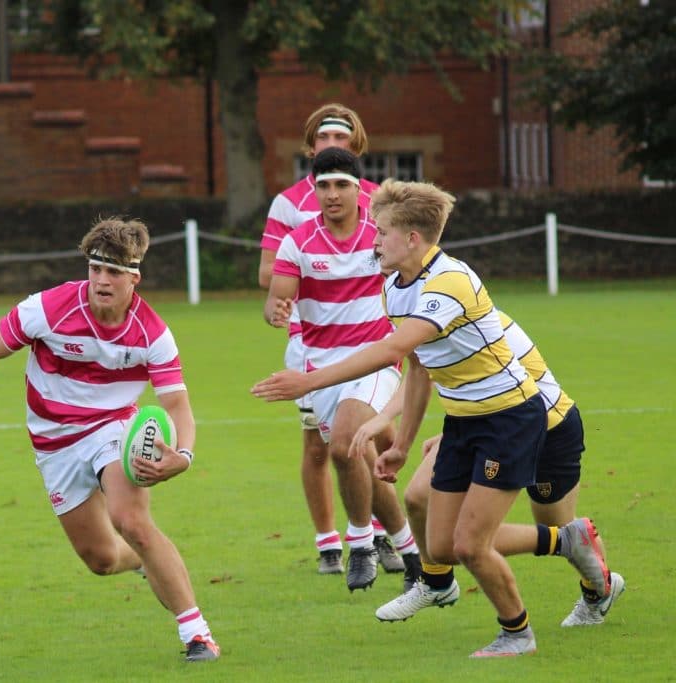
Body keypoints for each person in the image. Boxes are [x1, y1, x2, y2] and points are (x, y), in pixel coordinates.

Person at [251, 179, 613, 657]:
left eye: (381, 233)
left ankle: (516, 633)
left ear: (413, 239)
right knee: (439, 547)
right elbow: (419, 365)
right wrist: (400, 441)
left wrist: (310, 381)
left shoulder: (450, 281)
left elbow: (394, 349)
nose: (373, 241)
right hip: (464, 423)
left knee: (470, 544)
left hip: (510, 418)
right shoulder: (395, 286)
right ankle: (563, 542)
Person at [0, 217, 220, 663]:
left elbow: (178, 404)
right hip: (53, 443)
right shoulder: (47, 309)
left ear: (134, 277)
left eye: (115, 272)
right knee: (101, 560)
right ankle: (144, 561)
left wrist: (184, 455)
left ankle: (197, 635)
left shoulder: (152, 334)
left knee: (132, 521)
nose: (102, 280)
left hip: (113, 429)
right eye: (96, 268)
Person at [351, 310, 624, 625]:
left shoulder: (458, 308)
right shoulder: (420, 305)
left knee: (559, 524)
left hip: (547, 427)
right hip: (487, 426)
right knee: (418, 498)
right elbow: (428, 373)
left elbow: (505, 384)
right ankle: (436, 582)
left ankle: (597, 590)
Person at [259, 102, 407, 578]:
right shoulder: (295, 231)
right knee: (356, 453)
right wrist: (277, 308)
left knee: (352, 445)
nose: (332, 192)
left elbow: (416, 266)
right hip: (316, 360)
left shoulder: (381, 225)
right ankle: (405, 546)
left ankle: (360, 543)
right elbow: (276, 289)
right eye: (323, 184)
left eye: (341, 183)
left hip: (375, 357)